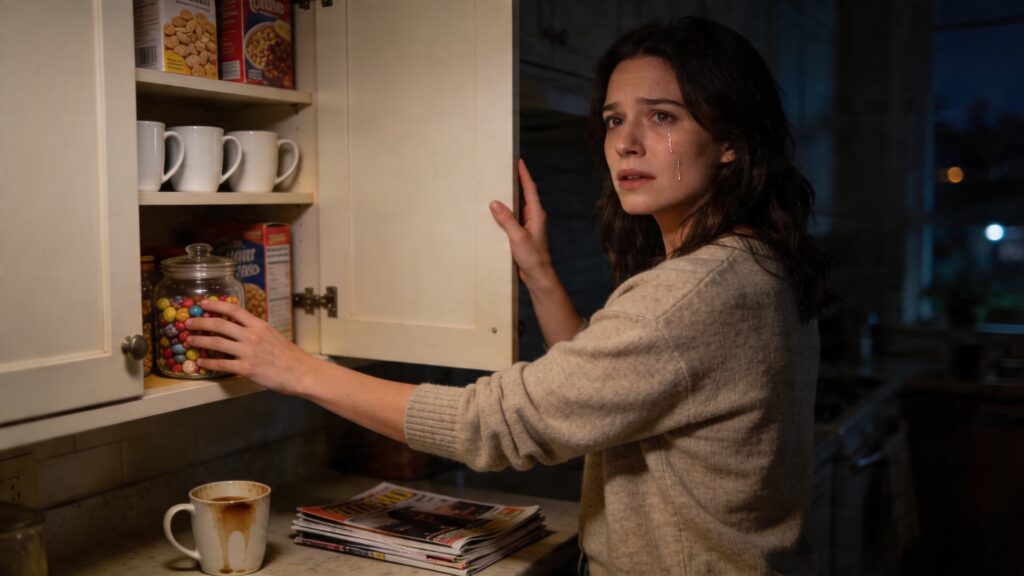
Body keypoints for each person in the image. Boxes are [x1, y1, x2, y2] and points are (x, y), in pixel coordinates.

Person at [186, 16, 831, 575]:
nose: (625, 143)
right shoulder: (749, 265)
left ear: (729, 144)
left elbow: (495, 424)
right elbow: (600, 396)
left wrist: (295, 368)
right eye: (614, 119)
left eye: (662, 116)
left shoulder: (692, 292)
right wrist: (539, 274)